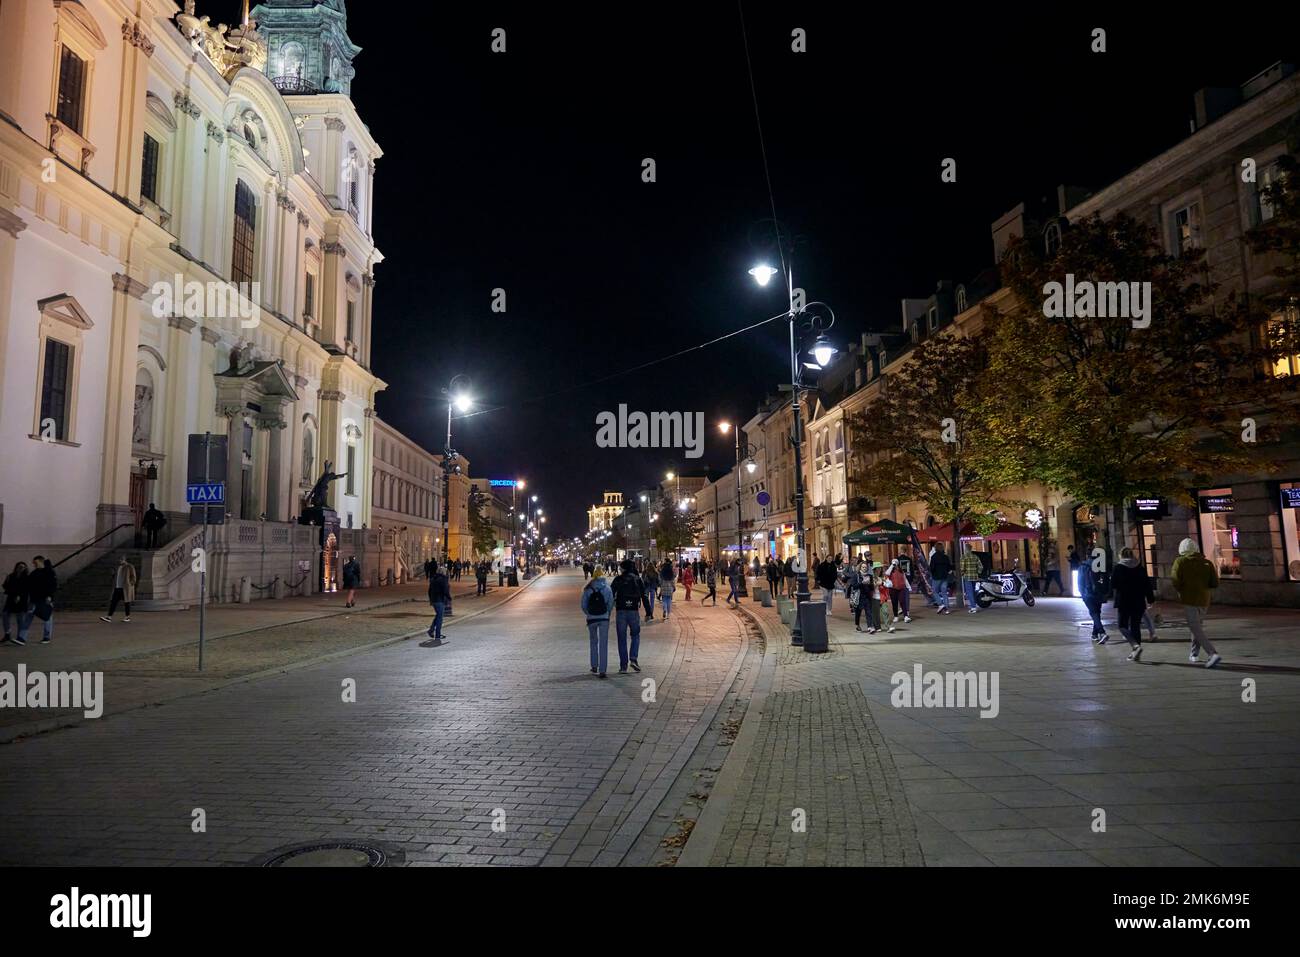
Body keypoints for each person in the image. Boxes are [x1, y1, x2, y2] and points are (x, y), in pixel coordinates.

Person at [1171, 537, 1221, 668]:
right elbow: (1214, 583)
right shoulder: (1207, 563)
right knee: (1197, 626)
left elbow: (1175, 580)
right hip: (1204, 599)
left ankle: (1212, 653)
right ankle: (1194, 654)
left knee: (1194, 627)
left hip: (1189, 598)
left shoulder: (1180, 561)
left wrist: (1181, 589)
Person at [1112, 546, 1154, 662]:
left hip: (1124, 601)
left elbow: (1113, 585)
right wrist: (1150, 599)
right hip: (1138, 601)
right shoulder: (1140, 568)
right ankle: (1136, 652)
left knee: (1122, 625)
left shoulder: (1118, 568)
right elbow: (1147, 585)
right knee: (1135, 626)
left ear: (1121, 555)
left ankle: (1135, 646)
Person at [611, 560, 646, 674]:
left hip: (621, 610)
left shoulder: (618, 579)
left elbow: (610, 593)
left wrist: (607, 609)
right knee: (635, 635)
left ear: (624, 568)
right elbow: (644, 595)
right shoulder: (637, 579)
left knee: (621, 638)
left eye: (621, 567)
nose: (620, 569)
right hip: (633, 611)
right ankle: (634, 659)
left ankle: (623, 666)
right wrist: (649, 611)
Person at [581, 566, 614, 678]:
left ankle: (594, 665)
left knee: (593, 642)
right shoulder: (607, 589)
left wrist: (589, 613)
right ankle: (603, 670)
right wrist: (607, 614)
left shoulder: (588, 589)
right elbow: (610, 604)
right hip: (604, 618)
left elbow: (583, 605)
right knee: (603, 644)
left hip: (592, 619)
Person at [18, 555, 57, 645]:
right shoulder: (35, 572)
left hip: (45, 599)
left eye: (35, 562)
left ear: (40, 561)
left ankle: (46, 637)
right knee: (28, 617)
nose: (34, 564)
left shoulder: (49, 571)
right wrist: (23, 572)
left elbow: (53, 584)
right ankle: (22, 638)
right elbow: (28, 583)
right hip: (34, 599)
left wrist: (49, 596)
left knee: (47, 617)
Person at [1079, 551, 1112, 643]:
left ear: (1087, 556)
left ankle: (1102, 632)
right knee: (1096, 613)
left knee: (1094, 613)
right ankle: (1094, 634)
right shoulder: (1100, 566)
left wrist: (1082, 594)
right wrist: (1106, 593)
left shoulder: (1083, 567)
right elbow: (1106, 580)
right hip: (1099, 593)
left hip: (1088, 593)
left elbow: (1080, 582)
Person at [100, 556, 138, 623]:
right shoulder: (118, 567)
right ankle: (109, 617)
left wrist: (130, 584)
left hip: (125, 588)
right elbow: (116, 576)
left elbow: (133, 577)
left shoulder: (129, 566)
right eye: (118, 560)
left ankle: (127, 617)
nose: (119, 561)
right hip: (117, 587)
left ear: (124, 560)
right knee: (113, 602)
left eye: (121, 560)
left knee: (127, 602)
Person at [2, 562, 30, 644]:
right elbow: (6, 586)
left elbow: (26, 589)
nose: (21, 568)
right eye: (20, 567)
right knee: (5, 614)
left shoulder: (26, 577)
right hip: (11, 598)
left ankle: (20, 637)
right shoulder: (11, 576)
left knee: (20, 618)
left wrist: (19, 595)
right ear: (16, 567)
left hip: (21, 600)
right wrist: (6, 581)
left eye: (23, 567)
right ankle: (7, 633)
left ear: (25, 568)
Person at [426, 560, 450, 644]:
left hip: (434, 600)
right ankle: (437, 635)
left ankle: (431, 630)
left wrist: (431, 599)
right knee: (440, 618)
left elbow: (429, 590)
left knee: (438, 615)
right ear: (443, 572)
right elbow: (445, 590)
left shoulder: (433, 579)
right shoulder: (443, 579)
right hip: (440, 600)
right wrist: (449, 598)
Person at [929, 544, 953, 614]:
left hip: (936, 577)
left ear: (936, 548)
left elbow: (932, 568)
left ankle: (941, 604)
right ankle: (947, 609)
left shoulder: (934, 557)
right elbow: (949, 567)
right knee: (944, 593)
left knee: (934, 591)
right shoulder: (945, 557)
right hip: (944, 577)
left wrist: (932, 574)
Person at [872, 562, 895, 633]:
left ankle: (888, 627)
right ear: (874, 569)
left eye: (880, 568)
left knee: (886, 612)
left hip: (883, 597)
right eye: (877, 568)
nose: (879, 570)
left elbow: (890, 584)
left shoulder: (884, 577)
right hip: (874, 598)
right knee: (875, 614)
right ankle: (877, 627)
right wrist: (875, 584)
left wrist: (882, 583)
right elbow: (870, 587)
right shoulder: (871, 577)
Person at [959, 544, 982, 614]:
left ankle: (973, 607)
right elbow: (981, 566)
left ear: (965, 549)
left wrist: (962, 574)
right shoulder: (975, 557)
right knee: (973, 591)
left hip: (967, 577)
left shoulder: (963, 557)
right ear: (971, 549)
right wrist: (977, 572)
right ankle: (974, 604)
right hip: (975, 577)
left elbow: (962, 568)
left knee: (969, 592)